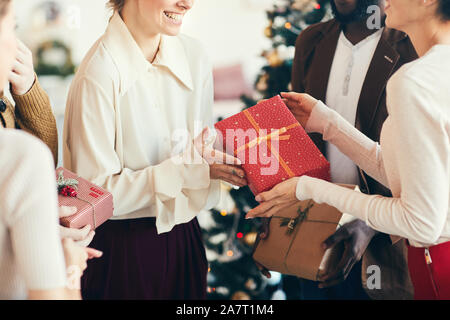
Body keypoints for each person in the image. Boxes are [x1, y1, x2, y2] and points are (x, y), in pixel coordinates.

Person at [247, 0, 450, 300]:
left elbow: (421, 223)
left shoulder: (412, 81)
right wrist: (328, 123)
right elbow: (404, 172)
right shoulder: (435, 68)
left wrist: (306, 188)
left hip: (430, 263)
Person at [63, 0, 246, 299]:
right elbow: (94, 194)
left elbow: (201, 150)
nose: (187, 4)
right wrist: (188, 170)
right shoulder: (97, 74)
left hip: (185, 237)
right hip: (121, 249)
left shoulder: (195, 56)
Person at [288, 0, 417, 299]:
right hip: (317, 236)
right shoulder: (311, 40)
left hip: (388, 247)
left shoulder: (413, 43)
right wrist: (281, 210)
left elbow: (420, 159)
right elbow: (296, 137)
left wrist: (371, 219)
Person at [0, 0, 102, 300]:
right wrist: (68, 267)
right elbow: (35, 161)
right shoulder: (21, 157)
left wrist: (28, 89)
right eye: (13, 27)